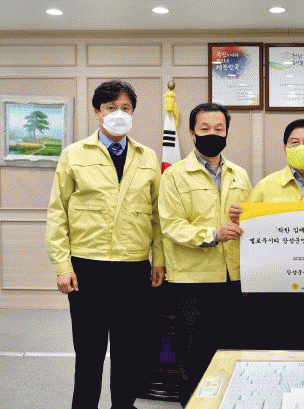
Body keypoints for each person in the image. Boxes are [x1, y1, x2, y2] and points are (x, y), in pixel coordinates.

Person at [46, 80, 165, 409]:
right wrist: (62, 266)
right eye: (111, 108)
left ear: (133, 113)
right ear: (97, 112)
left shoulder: (147, 157)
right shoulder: (74, 155)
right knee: (89, 354)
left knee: (129, 353)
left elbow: (157, 216)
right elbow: (57, 214)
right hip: (88, 268)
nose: (119, 114)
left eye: (125, 108)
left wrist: (158, 259)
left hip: (133, 269)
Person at [158, 102, 251, 407]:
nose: (213, 134)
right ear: (191, 132)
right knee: (193, 355)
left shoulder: (239, 175)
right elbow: (171, 225)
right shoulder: (174, 175)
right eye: (205, 128)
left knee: (230, 351)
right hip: (192, 281)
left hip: (232, 280)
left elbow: (251, 225)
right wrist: (212, 235)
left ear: (227, 133)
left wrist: (244, 219)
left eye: (219, 129)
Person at [229, 118, 304, 351]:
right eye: (294, 142)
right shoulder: (265, 186)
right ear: (284, 147)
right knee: (278, 347)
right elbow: (250, 237)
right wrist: (248, 275)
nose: (301, 147)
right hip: (276, 290)